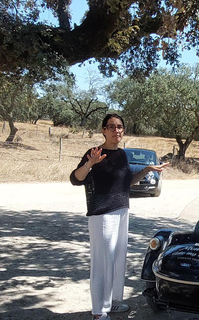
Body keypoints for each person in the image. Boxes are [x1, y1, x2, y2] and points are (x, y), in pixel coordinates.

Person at [70, 113, 169, 320]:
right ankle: (98, 312)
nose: (117, 131)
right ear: (104, 130)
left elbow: (126, 183)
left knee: (117, 260)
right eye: (112, 127)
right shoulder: (94, 152)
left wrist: (147, 169)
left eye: (120, 127)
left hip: (122, 211)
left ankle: (112, 302)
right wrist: (91, 164)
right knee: (102, 261)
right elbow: (76, 179)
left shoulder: (123, 155)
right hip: (102, 215)